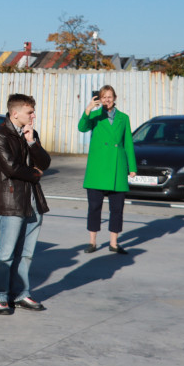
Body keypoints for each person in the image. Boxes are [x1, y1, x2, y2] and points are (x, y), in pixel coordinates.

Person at [0, 93, 51, 315]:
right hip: (12, 200)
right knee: (5, 253)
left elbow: (45, 162)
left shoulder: (29, 134)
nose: (33, 115)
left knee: (26, 253)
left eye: (33, 111)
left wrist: (32, 142)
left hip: (33, 201)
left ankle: (21, 293)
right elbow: (11, 168)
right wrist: (35, 174)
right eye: (29, 112)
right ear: (15, 113)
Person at [78, 84, 136, 254]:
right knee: (94, 207)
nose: (107, 100)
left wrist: (132, 167)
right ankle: (92, 242)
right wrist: (88, 108)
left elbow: (128, 144)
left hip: (117, 168)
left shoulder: (124, 118)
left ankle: (114, 243)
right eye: (103, 97)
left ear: (115, 98)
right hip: (97, 169)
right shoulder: (95, 115)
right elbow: (82, 127)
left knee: (117, 209)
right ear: (99, 99)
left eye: (109, 96)